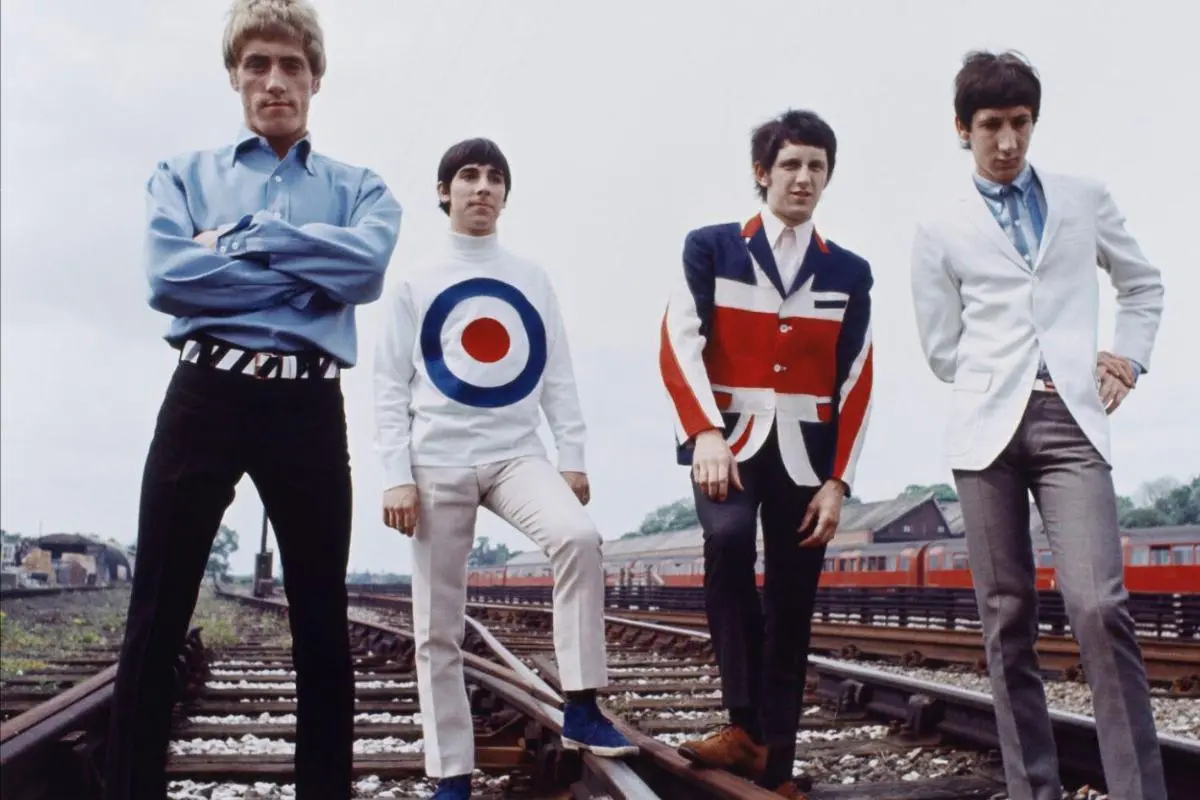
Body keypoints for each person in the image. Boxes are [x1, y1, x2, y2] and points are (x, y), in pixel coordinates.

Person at [103, 1, 402, 797]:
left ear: (316, 78)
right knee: (156, 613)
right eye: (258, 64)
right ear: (235, 76)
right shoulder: (180, 175)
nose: (275, 81)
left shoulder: (362, 189)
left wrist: (241, 240)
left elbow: (364, 272)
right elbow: (170, 278)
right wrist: (307, 272)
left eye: (292, 65)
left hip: (308, 408)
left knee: (321, 623)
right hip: (204, 395)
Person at [910, 50, 1167, 800]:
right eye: (991, 124)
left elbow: (1142, 283)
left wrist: (1127, 360)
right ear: (962, 128)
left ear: (1034, 122)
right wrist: (998, 375)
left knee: (1099, 605)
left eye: (1021, 123)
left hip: (1071, 423)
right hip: (984, 431)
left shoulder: (1084, 198)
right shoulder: (938, 226)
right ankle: (1034, 789)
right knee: (1006, 615)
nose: (1008, 141)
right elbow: (940, 345)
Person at [373, 137, 638, 800]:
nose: (482, 187)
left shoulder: (531, 277)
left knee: (578, 538)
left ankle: (582, 705)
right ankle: (451, 774)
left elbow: (558, 372)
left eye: (495, 177)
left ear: (505, 195)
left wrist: (572, 457)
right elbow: (388, 384)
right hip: (437, 458)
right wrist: (396, 474)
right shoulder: (414, 281)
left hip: (518, 453)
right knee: (438, 624)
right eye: (468, 176)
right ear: (444, 193)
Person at [659, 109, 874, 798]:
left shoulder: (849, 271)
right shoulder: (712, 248)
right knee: (726, 543)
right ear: (763, 172)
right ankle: (744, 726)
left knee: (791, 599)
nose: (803, 177)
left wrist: (838, 480)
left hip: (808, 458)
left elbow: (856, 379)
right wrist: (704, 433)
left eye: (816, 166)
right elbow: (678, 341)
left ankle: (773, 764)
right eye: (790, 164)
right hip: (727, 448)